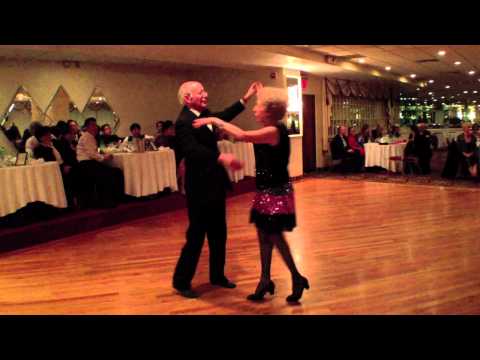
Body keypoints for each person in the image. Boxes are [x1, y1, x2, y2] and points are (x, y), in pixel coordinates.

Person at [194, 85, 309, 303]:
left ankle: (296, 277)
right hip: (266, 191)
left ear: (269, 111)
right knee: (264, 237)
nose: (254, 110)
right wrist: (258, 94)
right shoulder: (269, 129)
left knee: (274, 236)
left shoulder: (273, 131)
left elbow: (243, 134)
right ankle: (265, 279)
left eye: (258, 106)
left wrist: (213, 120)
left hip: (276, 193)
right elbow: (239, 137)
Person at [171, 80, 259, 299]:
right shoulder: (183, 121)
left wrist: (245, 98)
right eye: (200, 92)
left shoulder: (205, 115)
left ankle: (217, 275)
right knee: (196, 235)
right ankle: (181, 281)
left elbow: (224, 116)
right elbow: (192, 151)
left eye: (204, 89)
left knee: (219, 232)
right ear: (188, 98)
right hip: (199, 186)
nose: (205, 94)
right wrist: (221, 156)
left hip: (215, 184)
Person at [76, 117, 124, 208]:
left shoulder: (89, 136)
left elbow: (93, 153)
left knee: (114, 171)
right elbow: (92, 154)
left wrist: (102, 157)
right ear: (86, 127)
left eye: (95, 125)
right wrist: (104, 158)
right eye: (92, 125)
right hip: (87, 165)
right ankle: (108, 200)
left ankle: (112, 198)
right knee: (114, 172)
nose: (95, 127)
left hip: (88, 164)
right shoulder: (87, 137)